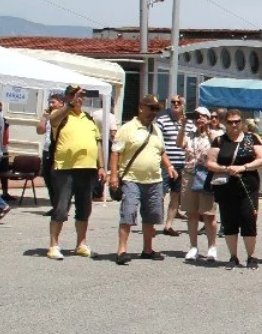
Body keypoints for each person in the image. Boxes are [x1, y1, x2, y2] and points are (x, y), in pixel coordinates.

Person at [108, 95, 177, 265]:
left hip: (154, 180)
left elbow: (161, 151)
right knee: (128, 214)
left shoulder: (156, 130)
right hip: (132, 179)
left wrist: (169, 166)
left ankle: (147, 249)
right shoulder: (127, 128)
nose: (154, 113)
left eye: (156, 109)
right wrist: (114, 175)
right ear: (141, 108)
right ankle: (122, 250)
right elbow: (115, 152)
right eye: (151, 108)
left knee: (151, 216)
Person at [45, 85, 104, 260]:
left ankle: (81, 243)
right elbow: (52, 120)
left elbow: (97, 143)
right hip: (65, 169)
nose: (78, 97)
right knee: (61, 208)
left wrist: (101, 166)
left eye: (81, 95)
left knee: (84, 209)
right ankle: (54, 245)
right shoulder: (61, 116)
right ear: (67, 97)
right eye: (73, 94)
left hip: (87, 169)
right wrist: (69, 105)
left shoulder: (88, 118)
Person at [204, 109, 262, 269]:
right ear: (225, 123)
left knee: (248, 219)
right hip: (226, 186)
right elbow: (210, 163)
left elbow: (261, 160)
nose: (234, 125)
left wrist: (243, 167)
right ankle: (233, 256)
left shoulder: (252, 138)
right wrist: (225, 168)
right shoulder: (219, 141)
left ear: (242, 122)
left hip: (248, 186)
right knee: (229, 220)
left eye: (237, 121)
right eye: (231, 122)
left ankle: (251, 257)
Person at [181, 106, 218, 261]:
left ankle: (212, 246)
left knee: (209, 214)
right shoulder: (190, 134)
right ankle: (193, 246)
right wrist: (183, 126)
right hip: (189, 174)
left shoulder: (215, 134)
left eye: (203, 116)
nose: (199, 119)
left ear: (209, 118)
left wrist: (208, 130)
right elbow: (179, 144)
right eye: (196, 116)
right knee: (191, 213)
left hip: (206, 175)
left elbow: (218, 147)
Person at [157, 95, 193, 236]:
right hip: (165, 164)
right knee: (160, 193)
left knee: (176, 196)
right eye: (173, 102)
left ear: (184, 105)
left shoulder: (190, 124)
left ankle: (168, 225)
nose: (176, 104)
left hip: (182, 164)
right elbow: (157, 142)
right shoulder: (162, 121)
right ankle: (152, 222)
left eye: (179, 102)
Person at [36, 92, 66, 207]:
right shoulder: (49, 116)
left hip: (57, 150)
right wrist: (44, 118)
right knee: (48, 177)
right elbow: (40, 131)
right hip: (47, 149)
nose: (51, 104)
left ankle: (60, 205)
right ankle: (54, 205)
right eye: (50, 102)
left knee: (56, 179)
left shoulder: (63, 115)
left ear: (61, 103)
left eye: (53, 102)